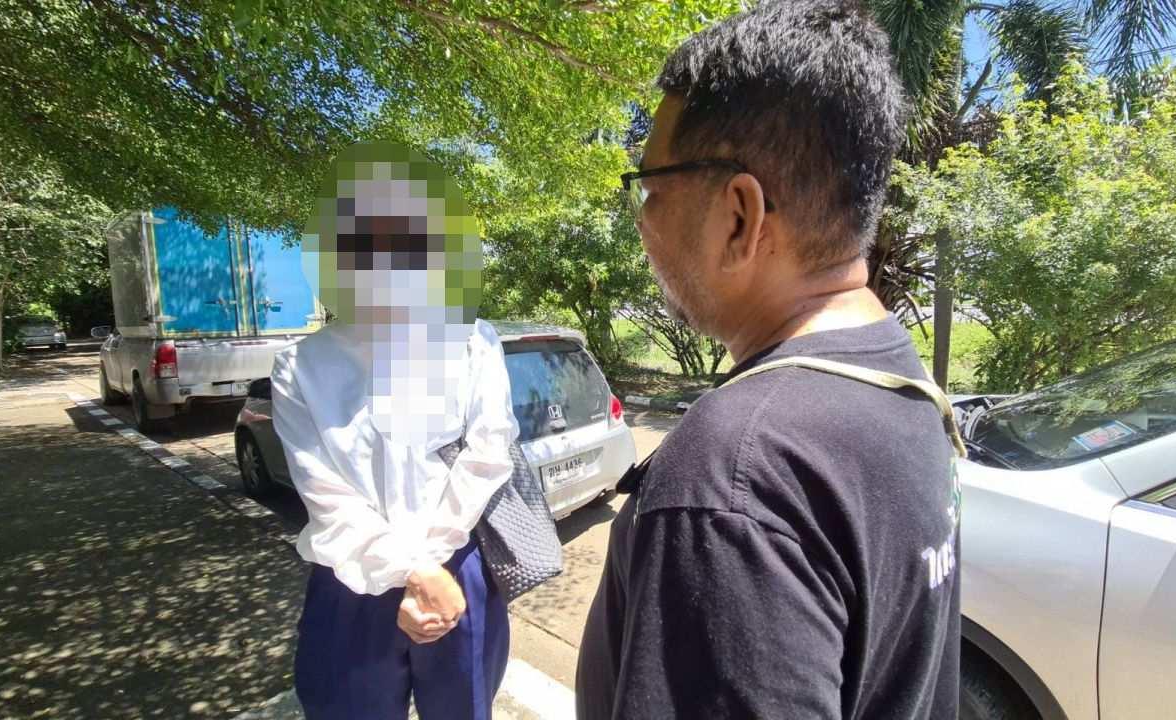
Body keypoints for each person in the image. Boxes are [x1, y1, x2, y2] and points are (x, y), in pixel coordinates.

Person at [576, 1, 961, 718]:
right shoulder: (897, 376)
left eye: (650, 188)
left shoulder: (736, 472)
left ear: (739, 217)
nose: (642, 220)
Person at [271, 141, 518, 720]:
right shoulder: (300, 367)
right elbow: (326, 497)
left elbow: (487, 455)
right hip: (350, 583)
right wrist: (414, 571)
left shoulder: (473, 340)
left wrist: (427, 568)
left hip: (457, 569)